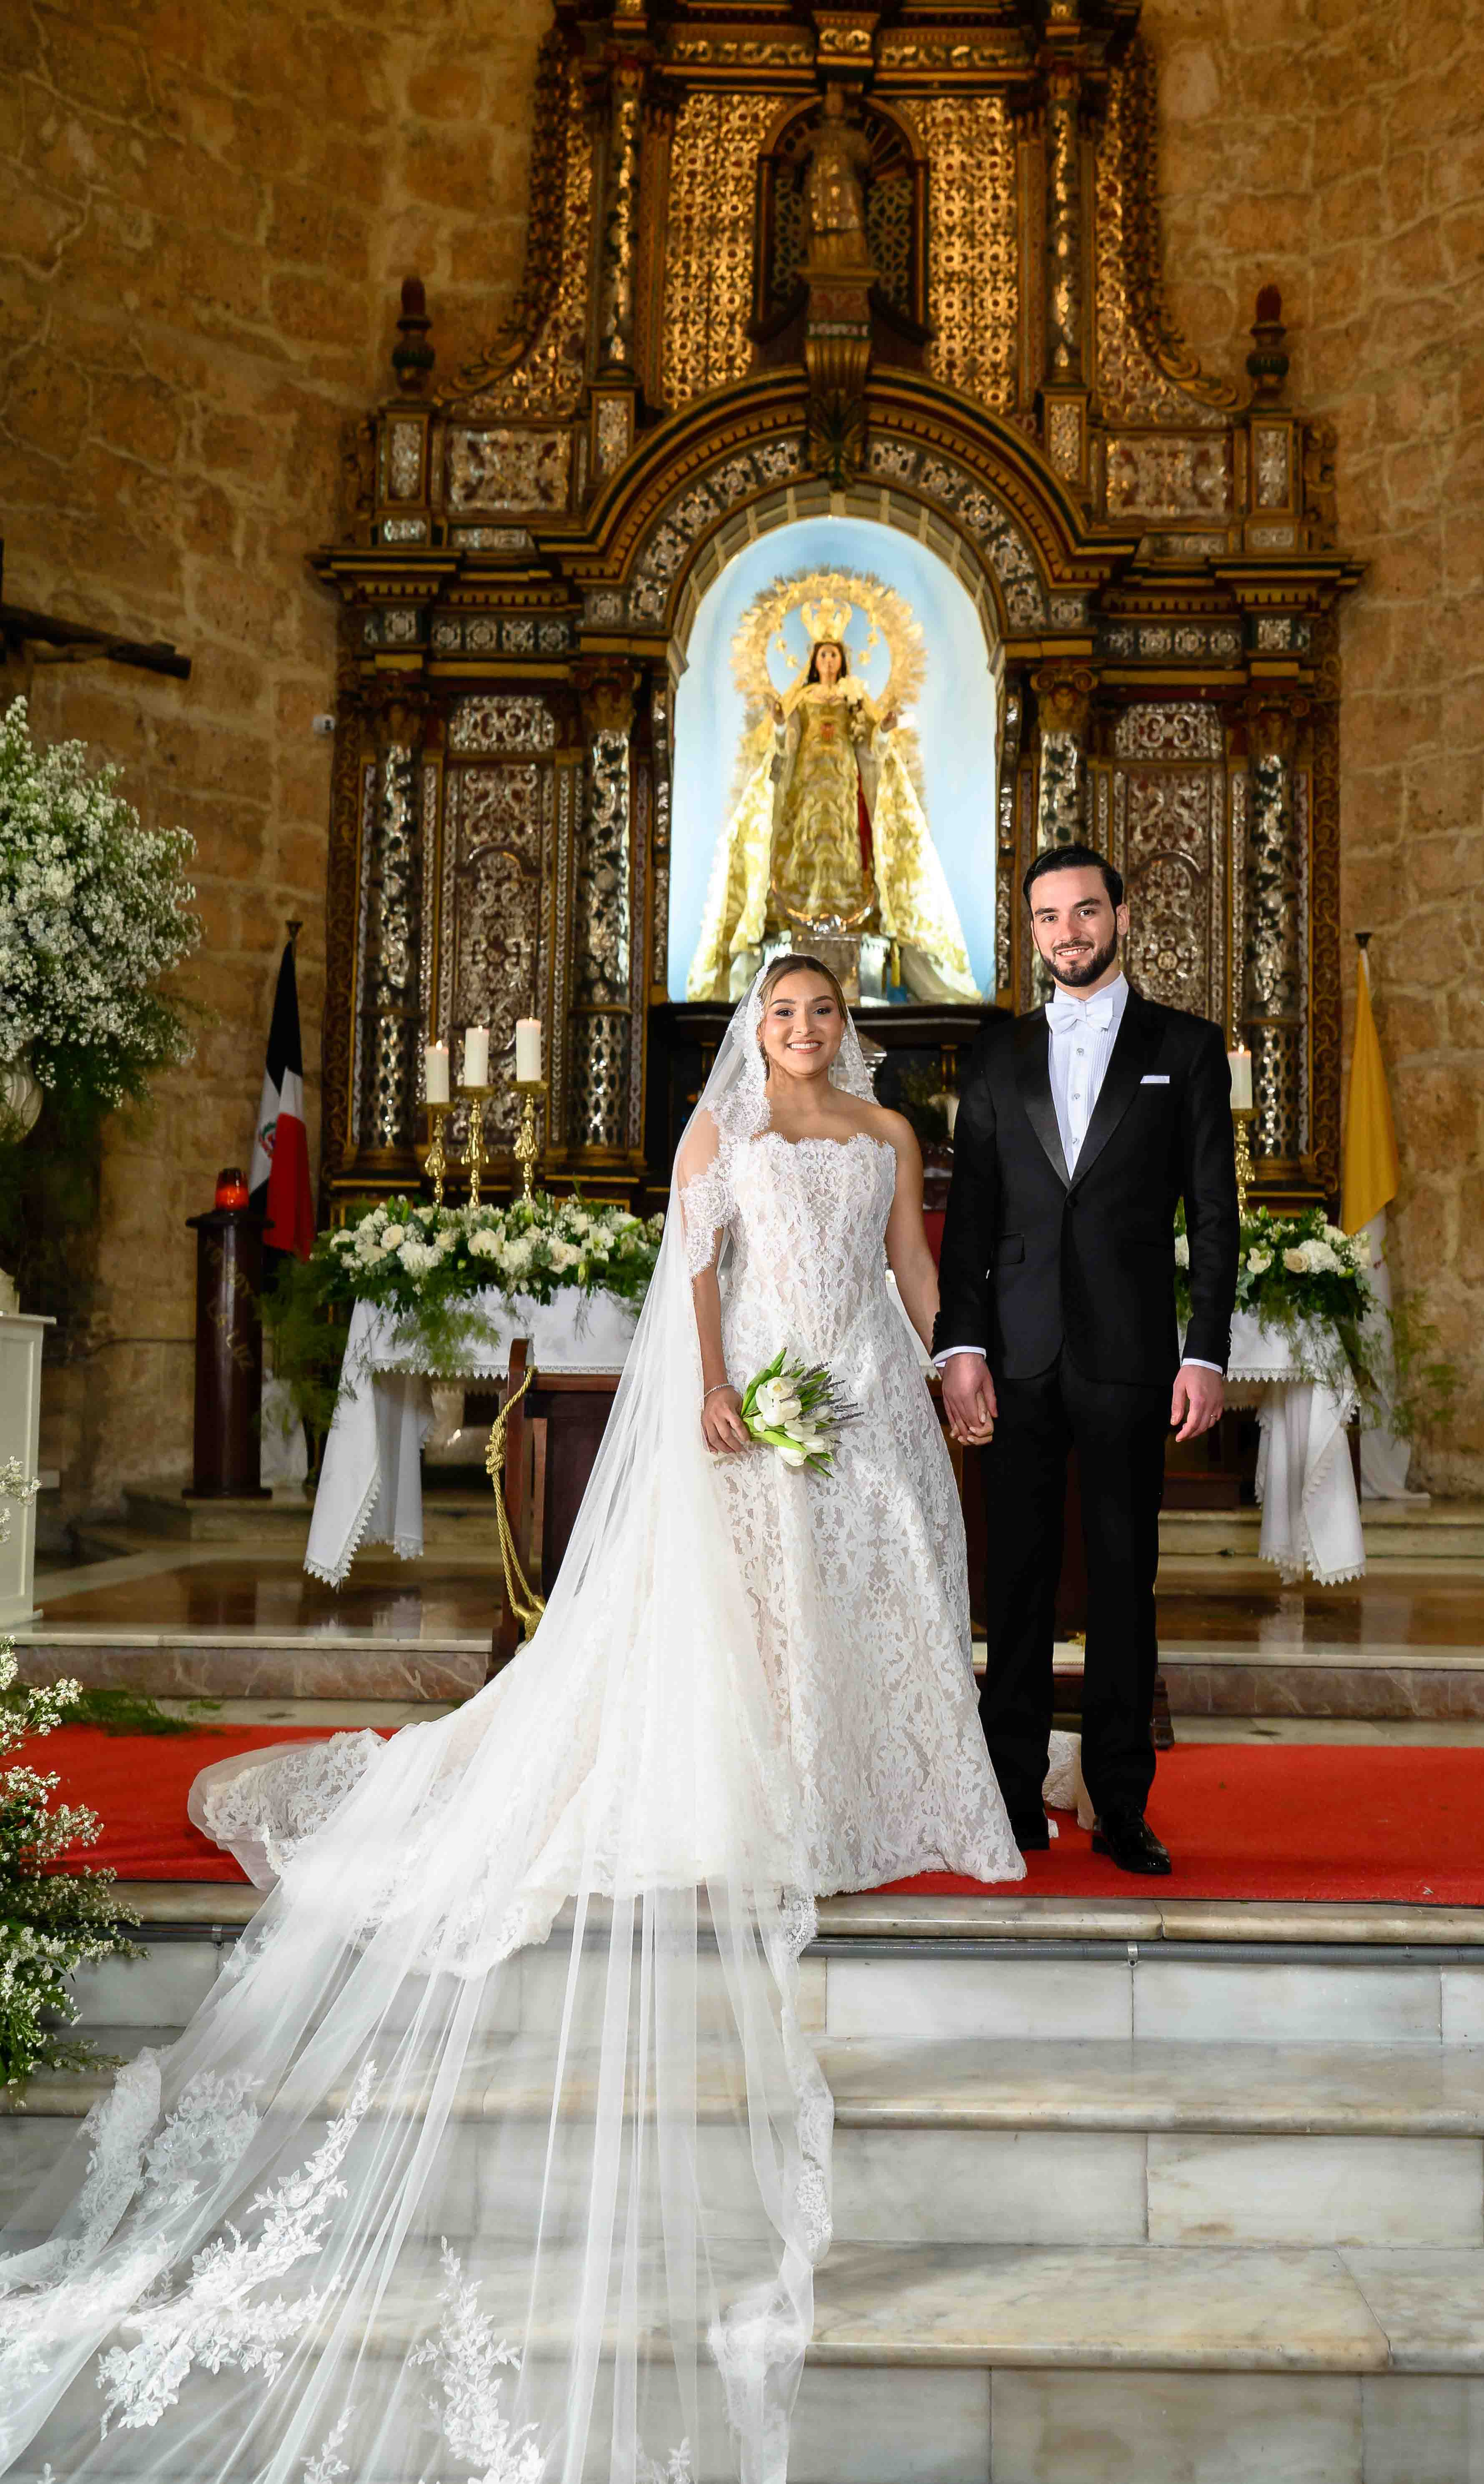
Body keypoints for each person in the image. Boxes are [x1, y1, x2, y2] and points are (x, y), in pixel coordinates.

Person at [0, 958, 1019, 2484]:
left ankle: (879, 1787)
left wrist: (955, 1362)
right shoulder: (716, 1128)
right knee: (763, 1609)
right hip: (758, 1384)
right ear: (760, 1028)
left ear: (845, 1031)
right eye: (783, 1016)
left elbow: (909, 1267)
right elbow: (691, 1279)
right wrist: (715, 1396)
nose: (801, 1034)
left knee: (887, 1574)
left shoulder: (884, 1133)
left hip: (868, 1383)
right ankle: (781, 1785)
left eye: (819, 1016)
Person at [936, 845, 1240, 1876]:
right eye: (1049, 917)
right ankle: (1011, 1797)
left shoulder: (1187, 1048)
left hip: (1131, 1352)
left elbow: (1215, 1216)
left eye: (1085, 911)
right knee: (1013, 1586)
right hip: (1015, 1353)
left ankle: (1121, 1803)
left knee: (1122, 1581)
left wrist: (1204, 1352)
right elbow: (970, 1214)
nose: (1068, 931)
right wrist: (962, 1345)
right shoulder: (996, 1055)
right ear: (1030, 930)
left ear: (1119, 915)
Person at [687, 629, 979, 1004]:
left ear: (842, 660)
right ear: (814, 661)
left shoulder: (853, 698)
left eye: (833, 655)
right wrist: (779, 724)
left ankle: (849, 925)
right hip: (806, 790)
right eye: (822, 655)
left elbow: (868, 747)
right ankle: (795, 921)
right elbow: (787, 744)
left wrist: (884, 731)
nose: (828, 662)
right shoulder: (803, 698)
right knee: (798, 850)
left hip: (843, 788)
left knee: (849, 853)